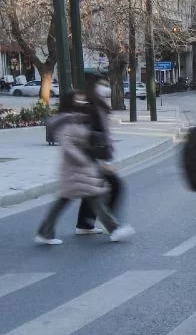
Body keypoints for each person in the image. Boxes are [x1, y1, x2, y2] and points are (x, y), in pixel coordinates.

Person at [34, 92, 134, 245]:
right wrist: (84, 160)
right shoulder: (65, 121)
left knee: (79, 199)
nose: (81, 102)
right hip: (74, 168)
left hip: (80, 168)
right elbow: (68, 146)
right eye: (77, 100)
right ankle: (114, 229)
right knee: (87, 197)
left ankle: (45, 232)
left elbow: (85, 139)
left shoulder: (76, 119)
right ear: (69, 102)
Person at [75, 74, 122, 235]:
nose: (104, 89)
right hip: (92, 156)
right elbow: (93, 136)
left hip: (94, 155)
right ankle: (109, 222)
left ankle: (85, 225)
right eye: (100, 85)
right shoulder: (90, 107)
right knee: (115, 186)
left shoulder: (96, 104)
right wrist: (102, 161)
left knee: (91, 191)